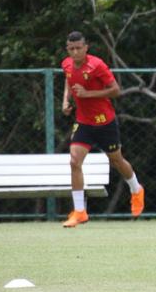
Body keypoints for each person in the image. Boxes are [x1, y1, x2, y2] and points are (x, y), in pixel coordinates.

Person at [61, 31, 145, 227]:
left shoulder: (97, 65)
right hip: (83, 122)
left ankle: (136, 189)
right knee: (74, 161)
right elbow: (68, 79)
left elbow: (116, 90)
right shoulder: (66, 64)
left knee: (116, 160)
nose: (74, 52)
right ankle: (80, 211)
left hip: (104, 122)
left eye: (78, 48)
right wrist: (66, 100)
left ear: (86, 47)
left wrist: (88, 94)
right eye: (71, 49)